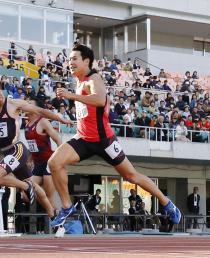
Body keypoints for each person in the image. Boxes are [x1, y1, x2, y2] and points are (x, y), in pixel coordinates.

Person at [48, 44, 181, 228]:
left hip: (104, 141)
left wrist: (72, 96)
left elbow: (100, 99)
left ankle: (167, 203)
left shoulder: (93, 78)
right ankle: (66, 207)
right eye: (69, 59)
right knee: (54, 163)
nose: (70, 62)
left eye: (74, 59)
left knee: (131, 176)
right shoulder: (78, 82)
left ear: (86, 61)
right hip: (84, 139)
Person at [0, 78, 71, 223]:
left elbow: (39, 110)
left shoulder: (13, 104)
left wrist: (60, 119)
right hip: (7, 153)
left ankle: (26, 186)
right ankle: (54, 218)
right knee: (37, 189)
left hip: (17, 150)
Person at [24, 98, 62, 209]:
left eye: (30, 103)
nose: (26, 105)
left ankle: (58, 221)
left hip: (49, 162)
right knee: (25, 195)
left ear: (36, 108)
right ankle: (53, 212)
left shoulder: (43, 122)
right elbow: (33, 145)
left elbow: (58, 140)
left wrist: (60, 160)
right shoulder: (27, 125)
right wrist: (30, 159)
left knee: (49, 197)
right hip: (38, 163)